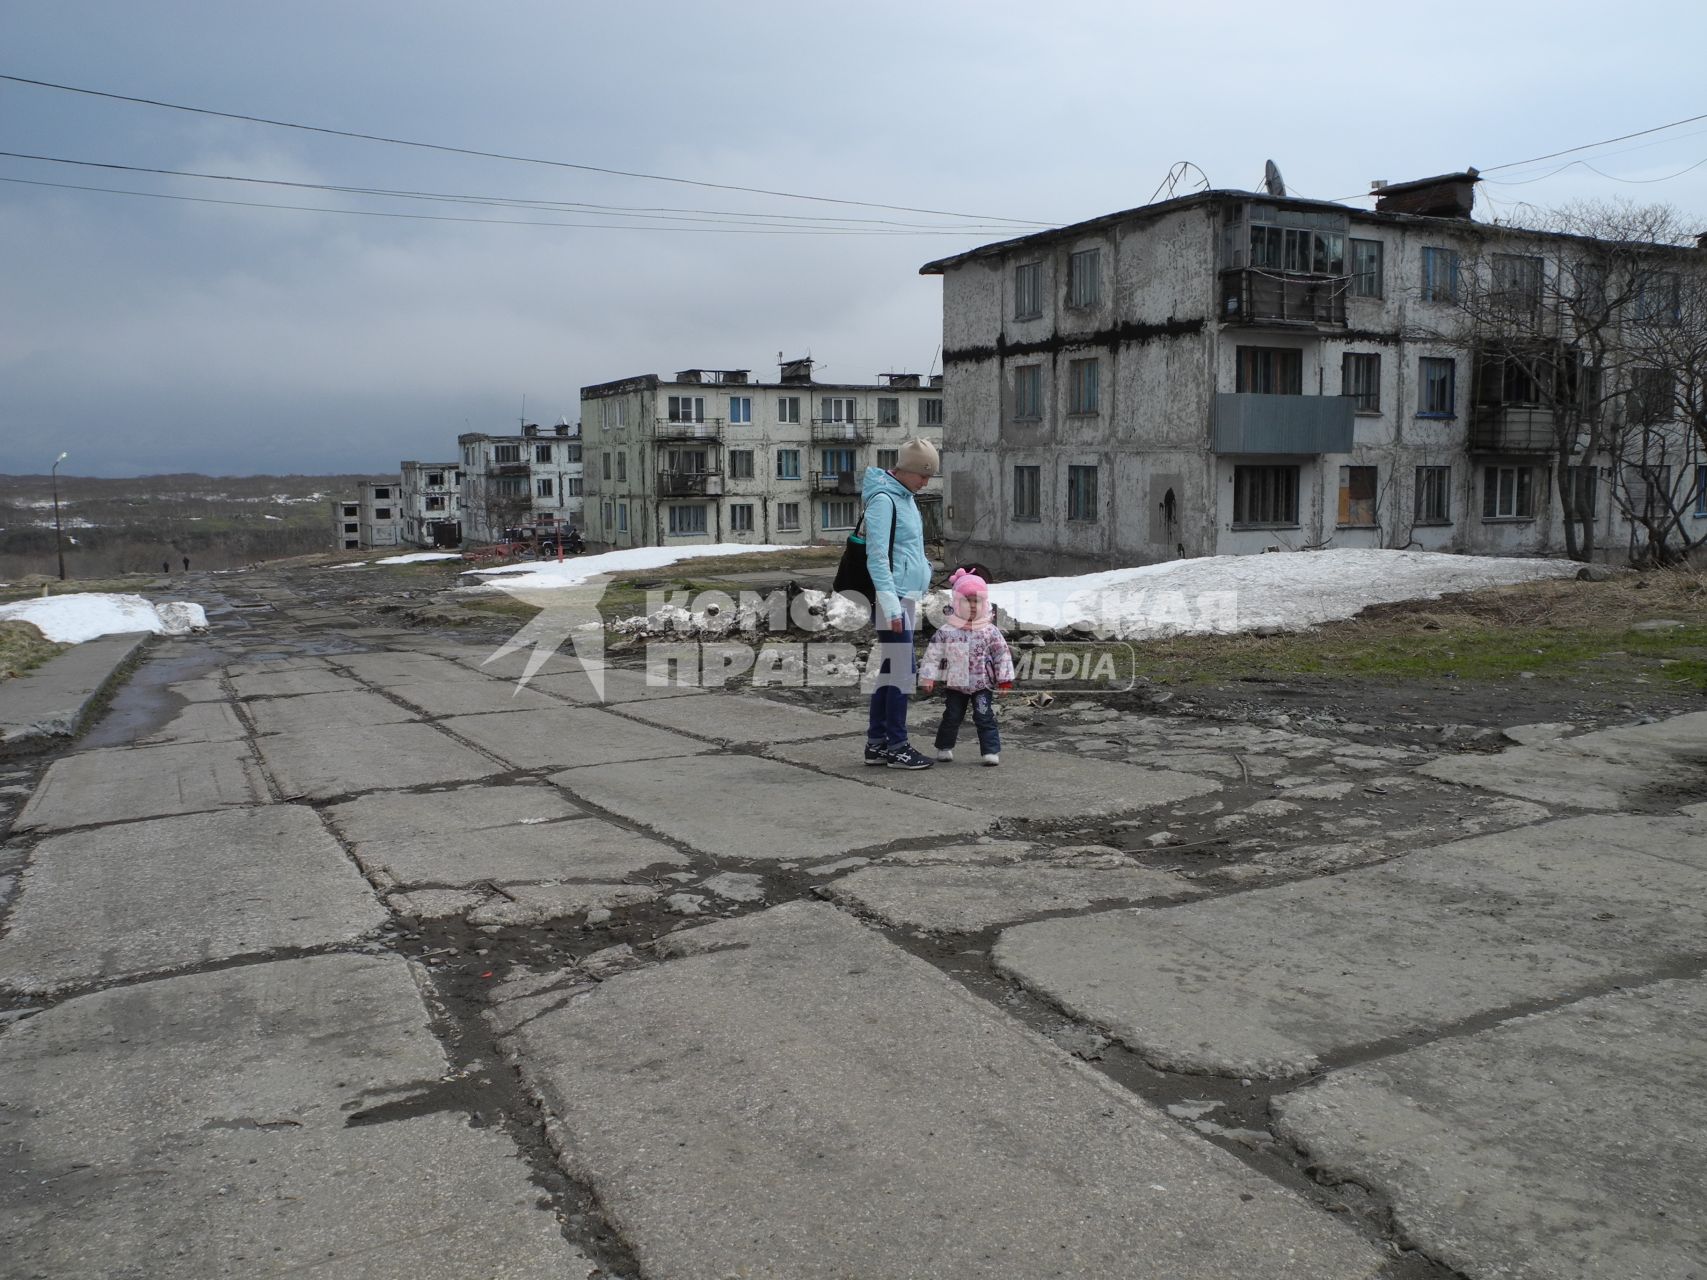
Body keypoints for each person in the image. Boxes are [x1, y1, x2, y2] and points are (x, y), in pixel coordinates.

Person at [863, 437, 938, 770]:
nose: (926, 482)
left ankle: (877, 743)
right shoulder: (884, 500)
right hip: (889, 598)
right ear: (906, 470)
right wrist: (892, 608)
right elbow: (877, 558)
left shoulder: (905, 497)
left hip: (903, 595)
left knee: (891, 670)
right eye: (923, 475)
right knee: (902, 672)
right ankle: (897, 746)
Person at [919, 568, 1014, 766]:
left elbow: (1001, 654)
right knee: (952, 716)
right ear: (956, 603)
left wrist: (1004, 679)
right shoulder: (947, 631)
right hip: (956, 684)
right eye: (967, 601)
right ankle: (944, 747)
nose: (972, 606)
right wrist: (928, 677)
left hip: (982, 684)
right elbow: (933, 655)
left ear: (984, 603)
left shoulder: (990, 631)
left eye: (976, 601)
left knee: (984, 715)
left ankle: (990, 751)